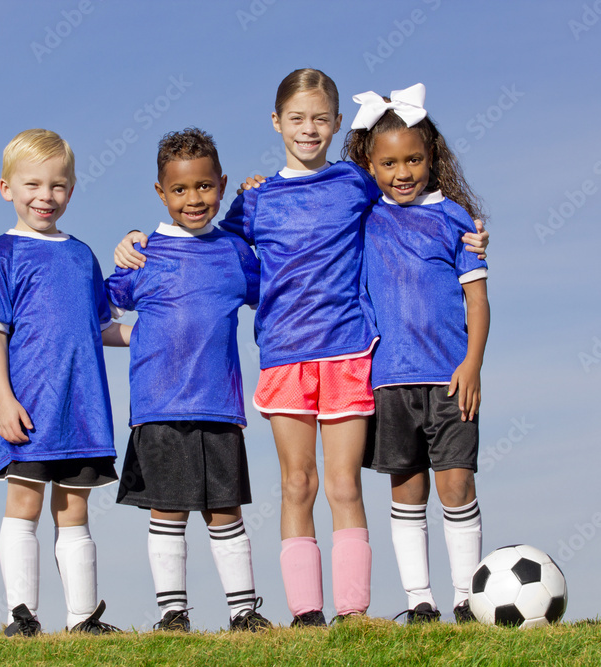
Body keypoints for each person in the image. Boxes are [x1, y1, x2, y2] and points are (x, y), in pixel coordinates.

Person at [115, 69, 489, 626]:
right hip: (284, 357)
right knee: (297, 483)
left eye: (319, 119)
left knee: (343, 484)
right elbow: (202, 241)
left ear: (337, 124)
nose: (308, 129)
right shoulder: (255, 200)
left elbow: (409, 196)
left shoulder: (357, 182)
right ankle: (306, 612)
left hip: (348, 353)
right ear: (276, 122)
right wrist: (135, 240)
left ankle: (353, 611)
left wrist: (468, 231)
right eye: (296, 118)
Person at [107, 128, 272, 633]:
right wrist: (141, 335)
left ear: (221, 184)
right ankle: (172, 615)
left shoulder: (236, 253)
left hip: (220, 406)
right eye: (180, 189)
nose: (193, 199)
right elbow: (95, 317)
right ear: (161, 193)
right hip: (158, 407)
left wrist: (255, 201)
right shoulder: (142, 255)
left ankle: (244, 613)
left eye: (204, 186)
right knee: (168, 511)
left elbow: (276, 294)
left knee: (225, 511)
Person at [0, 129, 129, 637]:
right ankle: (21, 617)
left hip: (83, 408)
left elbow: (101, 327)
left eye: (58, 185)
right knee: (25, 503)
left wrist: (154, 331)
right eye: (33, 184)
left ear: (72, 189)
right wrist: (4, 400)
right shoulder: (0, 255)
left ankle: (83, 619)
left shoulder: (82, 255)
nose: (46, 196)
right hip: (28, 408)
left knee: (75, 507)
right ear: (7, 188)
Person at [346, 83, 490, 624]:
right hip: (388, 379)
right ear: (370, 164)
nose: (402, 172)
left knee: (457, 483)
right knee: (406, 489)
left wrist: (472, 363)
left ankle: (467, 599)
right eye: (388, 163)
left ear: (432, 156)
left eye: (413, 159)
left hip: (451, 377)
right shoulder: (363, 218)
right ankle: (419, 600)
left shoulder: (455, 218)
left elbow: (477, 299)